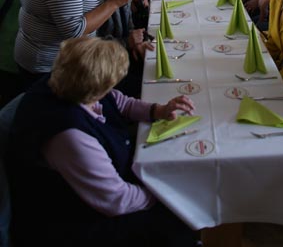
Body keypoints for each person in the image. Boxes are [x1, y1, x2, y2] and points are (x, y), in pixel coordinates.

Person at [7, 36, 197, 247]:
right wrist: (164, 194)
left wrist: (157, 110)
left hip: (101, 187)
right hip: (72, 219)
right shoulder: (70, 136)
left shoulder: (67, 81)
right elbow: (116, 200)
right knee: (181, 217)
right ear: (97, 89)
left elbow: (120, 102)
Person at [96, 0, 153, 96]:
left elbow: (129, 27)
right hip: (104, 70)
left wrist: (137, 43)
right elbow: (92, 47)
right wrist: (127, 42)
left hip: (122, 53)